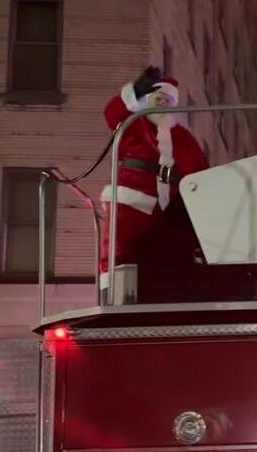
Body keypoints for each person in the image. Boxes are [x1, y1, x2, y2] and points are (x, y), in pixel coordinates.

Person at [99, 66, 209, 298]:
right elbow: (113, 112)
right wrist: (137, 89)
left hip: (167, 209)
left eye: (167, 101)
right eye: (158, 99)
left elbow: (201, 171)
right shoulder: (134, 124)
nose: (162, 104)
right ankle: (114, 293)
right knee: (120, 247)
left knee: (169, 253)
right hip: (132, 199)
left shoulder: (183, 139)